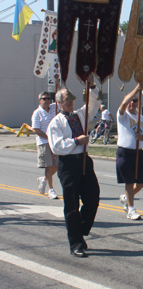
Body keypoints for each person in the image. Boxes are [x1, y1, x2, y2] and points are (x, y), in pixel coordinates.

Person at [47, 74, 101, 258]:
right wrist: (76, 141)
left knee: (93, 198)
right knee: (71, 205)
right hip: (68, 165)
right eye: (68, 100)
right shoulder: (56, 123)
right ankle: (76, 243)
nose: (71, 103)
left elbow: (93, 103)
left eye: (72, 100)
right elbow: (56, 147)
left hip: (84, 161)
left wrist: (92, 86)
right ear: (60, 102)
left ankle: (81, 229)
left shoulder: (80, 115)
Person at [116, 83, 143, 220]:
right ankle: (131, 209)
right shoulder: (122, 116)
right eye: (131, 100)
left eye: (135, 101)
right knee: (129, 182)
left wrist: (141, 137)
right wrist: (136, 90)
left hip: (138, 153)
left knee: (142, 181)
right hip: (125, 153)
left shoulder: (142, 119)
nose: (132, 103)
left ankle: (126, 198)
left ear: (138, 103)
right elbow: (124, 102)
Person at [31, 91, 58, 199]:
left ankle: (44, 179)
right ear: (40, 100)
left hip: (54, 142)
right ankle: (51, 190)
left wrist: (58, 81)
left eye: (48, 98)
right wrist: (48, 137)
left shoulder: (54, 108)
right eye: (44, 98)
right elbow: (36, 129)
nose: (47, 100)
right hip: (44, 142)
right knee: (49, 166)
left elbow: (61, 96)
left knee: (56, 166)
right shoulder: (37, 113)